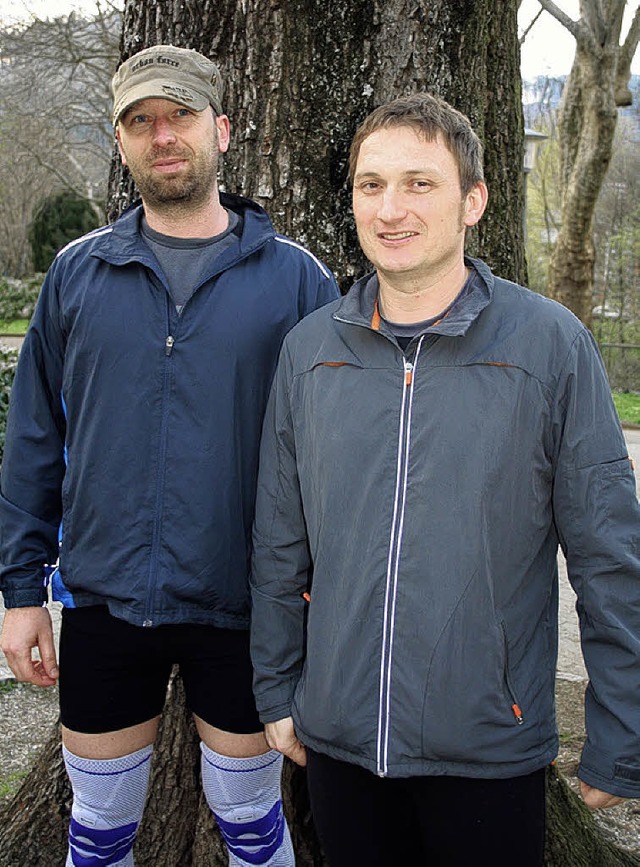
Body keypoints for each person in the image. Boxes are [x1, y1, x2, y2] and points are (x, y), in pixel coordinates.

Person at [250, 92, 640, 866]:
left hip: (489, 749)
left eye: (419, 183)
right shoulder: (310, 352)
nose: (390, 208)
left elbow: (609, 553)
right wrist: (276, 689)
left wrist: (622, 728)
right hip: (340, 747)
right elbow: (277, 541)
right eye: (371, 184)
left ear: (473, 201)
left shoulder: (548, 346)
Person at [0, 44, 338, 867]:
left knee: (251, 819)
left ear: (220, 128)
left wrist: (323, 592)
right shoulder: (79, 273)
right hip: (106, 597)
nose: (163, 136)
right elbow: (35, 437)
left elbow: (336, 453)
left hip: (246, 601)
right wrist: (19, 591)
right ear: (122, 141)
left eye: (179, 115)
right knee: (100, 826)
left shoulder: (297, 281)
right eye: (141, 121)